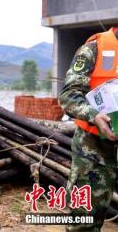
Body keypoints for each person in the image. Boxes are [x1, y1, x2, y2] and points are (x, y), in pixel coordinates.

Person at [59, 27, 118, 231]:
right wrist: (94, 115)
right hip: (93, 151)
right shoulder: (94, 49)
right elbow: (69, 96)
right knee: (84, 223)